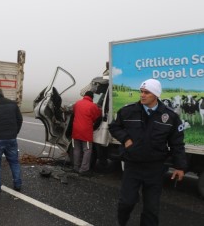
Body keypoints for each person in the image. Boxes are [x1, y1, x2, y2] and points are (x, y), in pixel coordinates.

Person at [108, 79, 187, 226]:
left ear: (156, 95)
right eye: (141, 92)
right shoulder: (128, 111)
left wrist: (180, 166)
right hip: (133, 166)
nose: (142, 95)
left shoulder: (170, 117)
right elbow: (114, 127)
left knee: (151, 209)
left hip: (155, 168)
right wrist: (125, 139)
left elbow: (177, 143)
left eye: (147, 92)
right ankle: (121, 222)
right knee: (127, 202)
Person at [71, 91, 102, 176]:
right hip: (86, 132)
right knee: (87, 150)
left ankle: (76, 167)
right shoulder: (93, 106)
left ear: (84, 96)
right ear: (92, 97)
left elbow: (74, 112)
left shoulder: (77, 103)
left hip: (75, 131)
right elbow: (98, 115)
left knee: (76, 149)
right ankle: (84, 170)